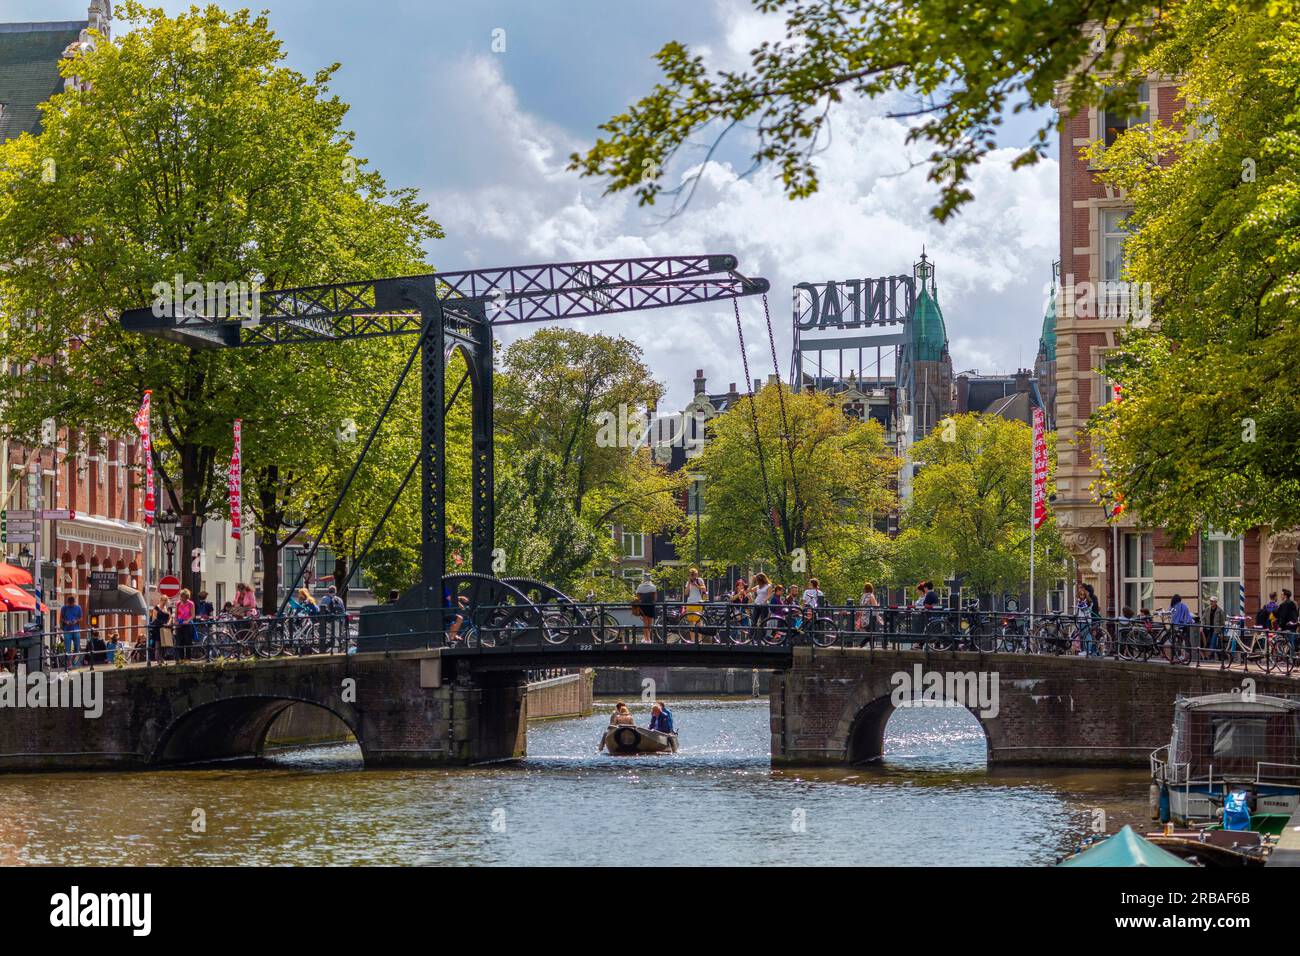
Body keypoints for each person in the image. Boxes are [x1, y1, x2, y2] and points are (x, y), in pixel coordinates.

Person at [631, 571, 657, 644]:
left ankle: (646, 639)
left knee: (645, 623)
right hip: (651, 606)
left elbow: (638, 597)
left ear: (644, 579)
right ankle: (648, 639)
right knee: (650, 623)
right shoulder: (653, 587)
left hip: (643, 606)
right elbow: (655, 599)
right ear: (650, 579)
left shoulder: (640, 586)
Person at [683, 567, 707, 642]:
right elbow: (686, 593)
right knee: (691, 623)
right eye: (692, 575)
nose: (693, 577)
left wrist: (696, 585)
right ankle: (692, 641)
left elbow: (704, 589)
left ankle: (700, 640)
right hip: (690, 603)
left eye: (694, 575)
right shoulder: (688, 582)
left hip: (698, 602)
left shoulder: (699, 580)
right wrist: (689, 583)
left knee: (699, 622)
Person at [319, 585, 347, 651]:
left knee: (329, 634)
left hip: (330, 620)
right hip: (339, 620)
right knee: (337, 635)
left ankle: (329, 649)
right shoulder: (339, 599)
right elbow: (343, 610)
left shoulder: (325, 599)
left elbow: (320, 609)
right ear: (335, 591)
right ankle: (337, 649)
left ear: (328, 591)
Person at [59, 595, 83, 668]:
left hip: (76, 629)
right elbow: (61, 618)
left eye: (72, 603)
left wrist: (76, 621)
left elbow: (81, 618)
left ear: (74, 602)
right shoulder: (64, 608)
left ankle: (75, 662)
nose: (71, 605)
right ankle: (69, 663)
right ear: (68, 602)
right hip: (67, 630)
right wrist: (66, 622)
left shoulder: (78, 608)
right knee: (67, 648)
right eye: (70, 604)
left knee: (77, 647)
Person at [1169, 594, 1195, 662]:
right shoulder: (1184, 606)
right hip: (1185, 625)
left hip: (1176, 626)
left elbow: (1171, 616)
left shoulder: (1172, 607)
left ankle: (1178, 655)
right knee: (1187, 640)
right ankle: (1188, 654)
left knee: (1178, 640)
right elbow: (1188, 616)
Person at [148, 594, 171, 665]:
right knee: (158, 645)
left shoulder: (167, 608)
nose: (164, 601)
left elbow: (170, 618)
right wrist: (162, 624)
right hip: (158, 629)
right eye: (163, 600)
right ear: (160, 600)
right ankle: (158, 660)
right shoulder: (156, 608)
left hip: (166, 628)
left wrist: (168, 623)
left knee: (165, 645)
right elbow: (154, 618)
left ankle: (162, 659)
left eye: (166, 600)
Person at [173, 588, 196, 662]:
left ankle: (188, 658)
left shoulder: (191, 604)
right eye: (181, 597)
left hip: (187, 624)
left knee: (188, 641)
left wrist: (187, 621)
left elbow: (193, 615)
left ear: (187, 597)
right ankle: (181, 659)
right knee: (180, 642)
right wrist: (175, 621)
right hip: (179, 624)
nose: (182, 598)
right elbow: (176, 614)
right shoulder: (178, 603)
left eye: (184, 597)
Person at [857, 581, 881, 647]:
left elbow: (861, 607)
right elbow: (875, 606)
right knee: (872, 633)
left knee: (870, 633)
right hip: (870, 617)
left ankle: (870, 647)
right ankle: (863, 646)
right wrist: (877, 616)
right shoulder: (871, 596)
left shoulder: (863, 596)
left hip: (863, 618)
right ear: (871, 588)